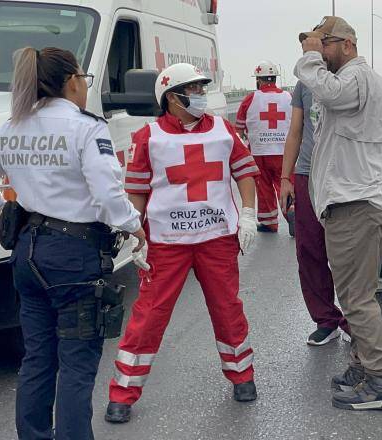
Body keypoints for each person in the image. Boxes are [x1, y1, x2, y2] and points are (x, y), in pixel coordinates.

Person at [0, 47, 145, 439]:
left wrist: (0, 209)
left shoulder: (13, 126)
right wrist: (136, 227)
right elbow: (109, 196)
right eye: (84, 79)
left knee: (38, 360)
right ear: (71, 81)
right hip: (74, 257)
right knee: (77, 365)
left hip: (27, 253)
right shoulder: (85, 127)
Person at [105, 63, 260, 423]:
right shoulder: (148, 137)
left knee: (228, 309)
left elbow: (245, 173)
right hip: (166, 242)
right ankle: (123, 391)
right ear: (171, 98)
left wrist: (249, 215)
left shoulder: (222, 130)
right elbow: (138, 191)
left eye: (202, 88)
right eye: (193, 90)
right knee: (148, 317)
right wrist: (135, 237)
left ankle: (242, 375)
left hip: (216, 238)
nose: (201, 96)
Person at [294, 16, 382, 411]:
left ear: (347, 44)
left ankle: (379, 381)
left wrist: (308, 58)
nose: (319, 53)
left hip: (356, 204)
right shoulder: (368, 83)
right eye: (316, 47)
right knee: (361, 294)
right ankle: (363, 365)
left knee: (356, 299)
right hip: (364, 198)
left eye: (324, 45)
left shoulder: (355, 79)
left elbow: (327, 89)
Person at [279, 80, 350, 346]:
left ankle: (355, 321)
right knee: (309, 250)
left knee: (346, 253)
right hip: (307, 174)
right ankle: (326, 319)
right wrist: (285, 178)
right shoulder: (303, 84)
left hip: (344, 175)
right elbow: (295, 132)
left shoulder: (351, 79)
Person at [235, 61, 292, 234]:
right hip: (285, 151)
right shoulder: (289, 97)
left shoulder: (250, 99)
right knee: (286, 184)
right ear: (275, 78)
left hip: (259, 152)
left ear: (258, 80)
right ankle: (292, 210)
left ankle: (269, 222)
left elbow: (238, 127)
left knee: (264, 186)